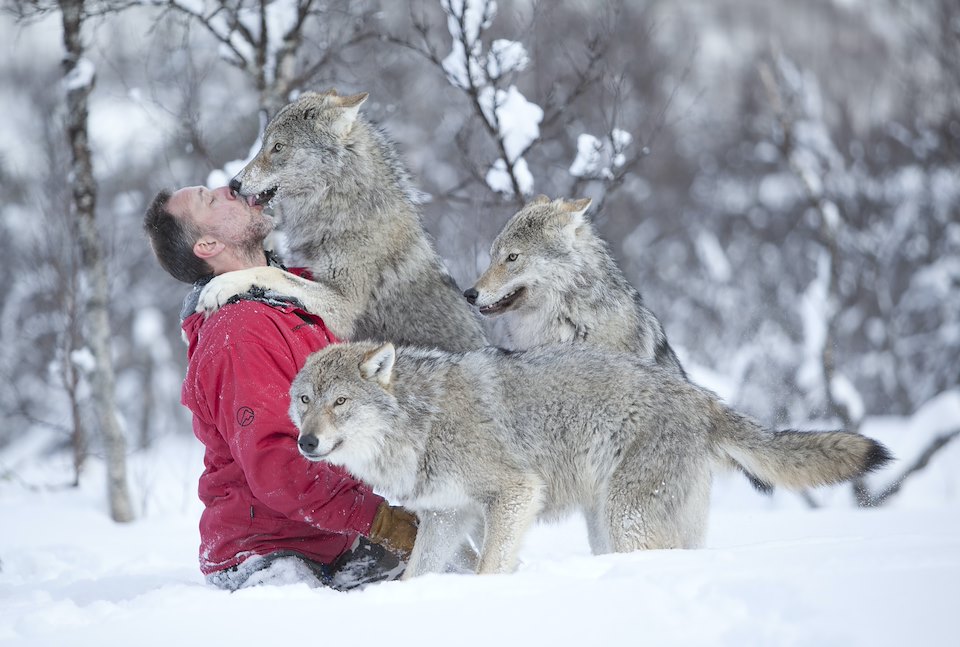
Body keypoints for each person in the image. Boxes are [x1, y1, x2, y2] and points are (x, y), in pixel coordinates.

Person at [143, 184, 418, 591]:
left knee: (456, 563)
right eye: (211, 199)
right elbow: (278, 467)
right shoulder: (240, 331)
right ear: (209, 244)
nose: (229, 188)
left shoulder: (297, 298)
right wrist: (378, 520)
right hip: (270, 557)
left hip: (329, 538)